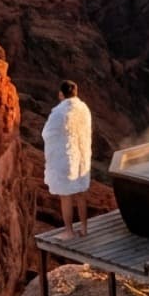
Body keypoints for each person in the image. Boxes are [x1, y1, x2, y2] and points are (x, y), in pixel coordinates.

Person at [42, 80, 93, 239]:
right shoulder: (84, 108)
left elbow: (47, 133)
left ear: (61, 94)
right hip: (82, 156)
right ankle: (84, 229)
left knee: (66, 195)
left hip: (66, 157)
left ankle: (69, 231)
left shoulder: (59, 112)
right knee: (81, 193)